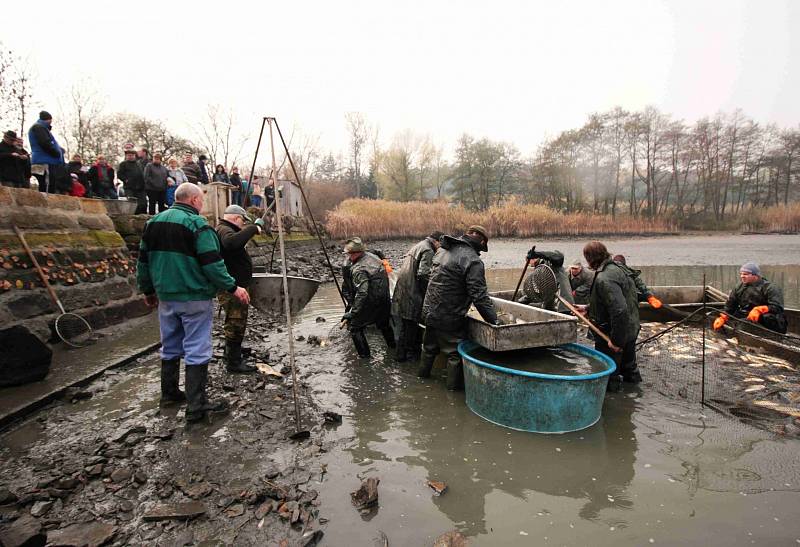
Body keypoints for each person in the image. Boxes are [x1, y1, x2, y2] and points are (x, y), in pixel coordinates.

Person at [136, 182, 250, 423]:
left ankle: (169, 394)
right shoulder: (198, 225)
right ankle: (196, 406)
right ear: (194, 200)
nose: (201, 204)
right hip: (194, 297)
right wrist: (233, 287)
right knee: (197, 348)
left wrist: (147, 290)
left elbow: (143, 261)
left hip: (166, 297)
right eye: (201, 200)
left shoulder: (152, 223)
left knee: (169, 345)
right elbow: (212, 263)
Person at [419, 226, 498, 390]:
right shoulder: (473, 260)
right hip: (449, 316)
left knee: (428, 348)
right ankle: (452, 393)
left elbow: (431, 279)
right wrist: (495, 320)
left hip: (429, 310)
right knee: (454, 354)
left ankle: (422, 381)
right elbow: (479, 296)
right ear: (481, 242)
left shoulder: (442, 250)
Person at [215, 205, 269, 373]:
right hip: (232, 287)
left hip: (235, 284)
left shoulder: (225, 229)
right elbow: (232, 243)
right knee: (236, 321)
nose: (243, 225)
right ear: (236, 218)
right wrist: (253, 228)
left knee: (235, 320)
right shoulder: (224, 230)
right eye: (243, 222)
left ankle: (232, 352)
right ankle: (233, 362)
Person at [583, 241, 641, 384]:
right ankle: (633, 400)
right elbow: (619, 300)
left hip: (613, 334)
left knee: (608, 374)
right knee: (629, 369)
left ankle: (612, 403)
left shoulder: (604, 278)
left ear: (590, 258)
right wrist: (588, 309)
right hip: (631, 329)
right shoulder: (620, 268)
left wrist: (615, 341)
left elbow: (619, 310)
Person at [392, 231, 443, 362]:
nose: (440, 248)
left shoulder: (418, 245)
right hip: (412, 293)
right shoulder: (428, 250)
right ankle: (411, 358)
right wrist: (431, 294)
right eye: (441, 245)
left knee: (405, 326)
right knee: (411, 327)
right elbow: (423, 274)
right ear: (436, 241)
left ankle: (400, 357)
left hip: (402, 290)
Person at [341, 238, 395, 358]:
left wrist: (353, 312)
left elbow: (362, 293)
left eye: (349, 254)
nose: (348, 258)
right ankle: (393, 349)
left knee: (355, 328)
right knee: (384, 325)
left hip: (370, 302)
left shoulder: (358, 269)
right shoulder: (373, 256)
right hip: (384, 299)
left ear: (356, 253)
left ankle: (365, 359)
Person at [714, 262, 787, 334]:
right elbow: (730, 306)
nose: (742, 276)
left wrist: (759, 310)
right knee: (715, 315)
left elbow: (778, 307)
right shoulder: (738, 287)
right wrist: (723, 317)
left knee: (766, 317)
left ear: (755, 276)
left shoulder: (771, 288)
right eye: (741, 274)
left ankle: (768, 335)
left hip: (770, 320)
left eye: (745, 274)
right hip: (748, 316)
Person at [522, 247, 575, 313]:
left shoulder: (551, 263)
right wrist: (523, 300)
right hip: (552, 305)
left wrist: (538, 253)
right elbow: (539, 291)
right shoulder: (539, 271)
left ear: (534, 259)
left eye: (528, 261)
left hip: (563, 304)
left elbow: (559, 256)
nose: (529, 264)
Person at [28, 111, 67, 194]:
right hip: (45, 160)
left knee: (48, 184)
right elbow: (45, 143)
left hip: (46, 159)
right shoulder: (39, 127)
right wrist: (56, 153)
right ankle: (45, 204)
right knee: (47, 185)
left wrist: (60, 150)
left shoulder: (41, 128)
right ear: (48, 119)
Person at [117, 149, 147, 213]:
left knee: (143, 204)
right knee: (132, 203)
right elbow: (119, 174)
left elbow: (142, 174)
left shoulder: (138, 163)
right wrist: (126, 180)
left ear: (134, 156)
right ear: (126, 156)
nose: (130, 156)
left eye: (132, 155)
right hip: (129, 187)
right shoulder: (123, 164)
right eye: (129, 155)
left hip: (140, 187)